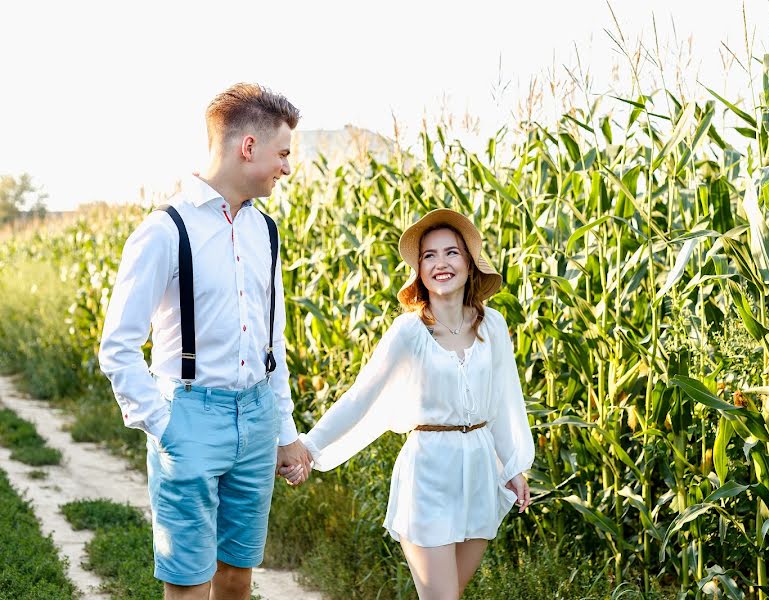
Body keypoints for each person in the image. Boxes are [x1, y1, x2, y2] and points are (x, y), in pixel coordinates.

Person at [99, 83, 311, 600]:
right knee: (190, 583)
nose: (286, 167)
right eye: (282, 153)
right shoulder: (164, 230)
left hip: (257, 417)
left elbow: (271, 342)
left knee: (238, 575)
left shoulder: (267, 232)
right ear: (248, 147)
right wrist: (165, 425)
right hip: (190, 418)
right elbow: (118, 346)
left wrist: (284, 431)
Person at [281, 208, 535, 600]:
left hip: (480, 472)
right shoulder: (408, 332)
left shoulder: (494, 325)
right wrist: (309, 448)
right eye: (429, 256)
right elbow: (361, 397)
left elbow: (503, 402)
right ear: (419, 270)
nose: (441, 263)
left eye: (451, 253)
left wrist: (514, 466)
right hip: (429, 474)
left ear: (469, 262)